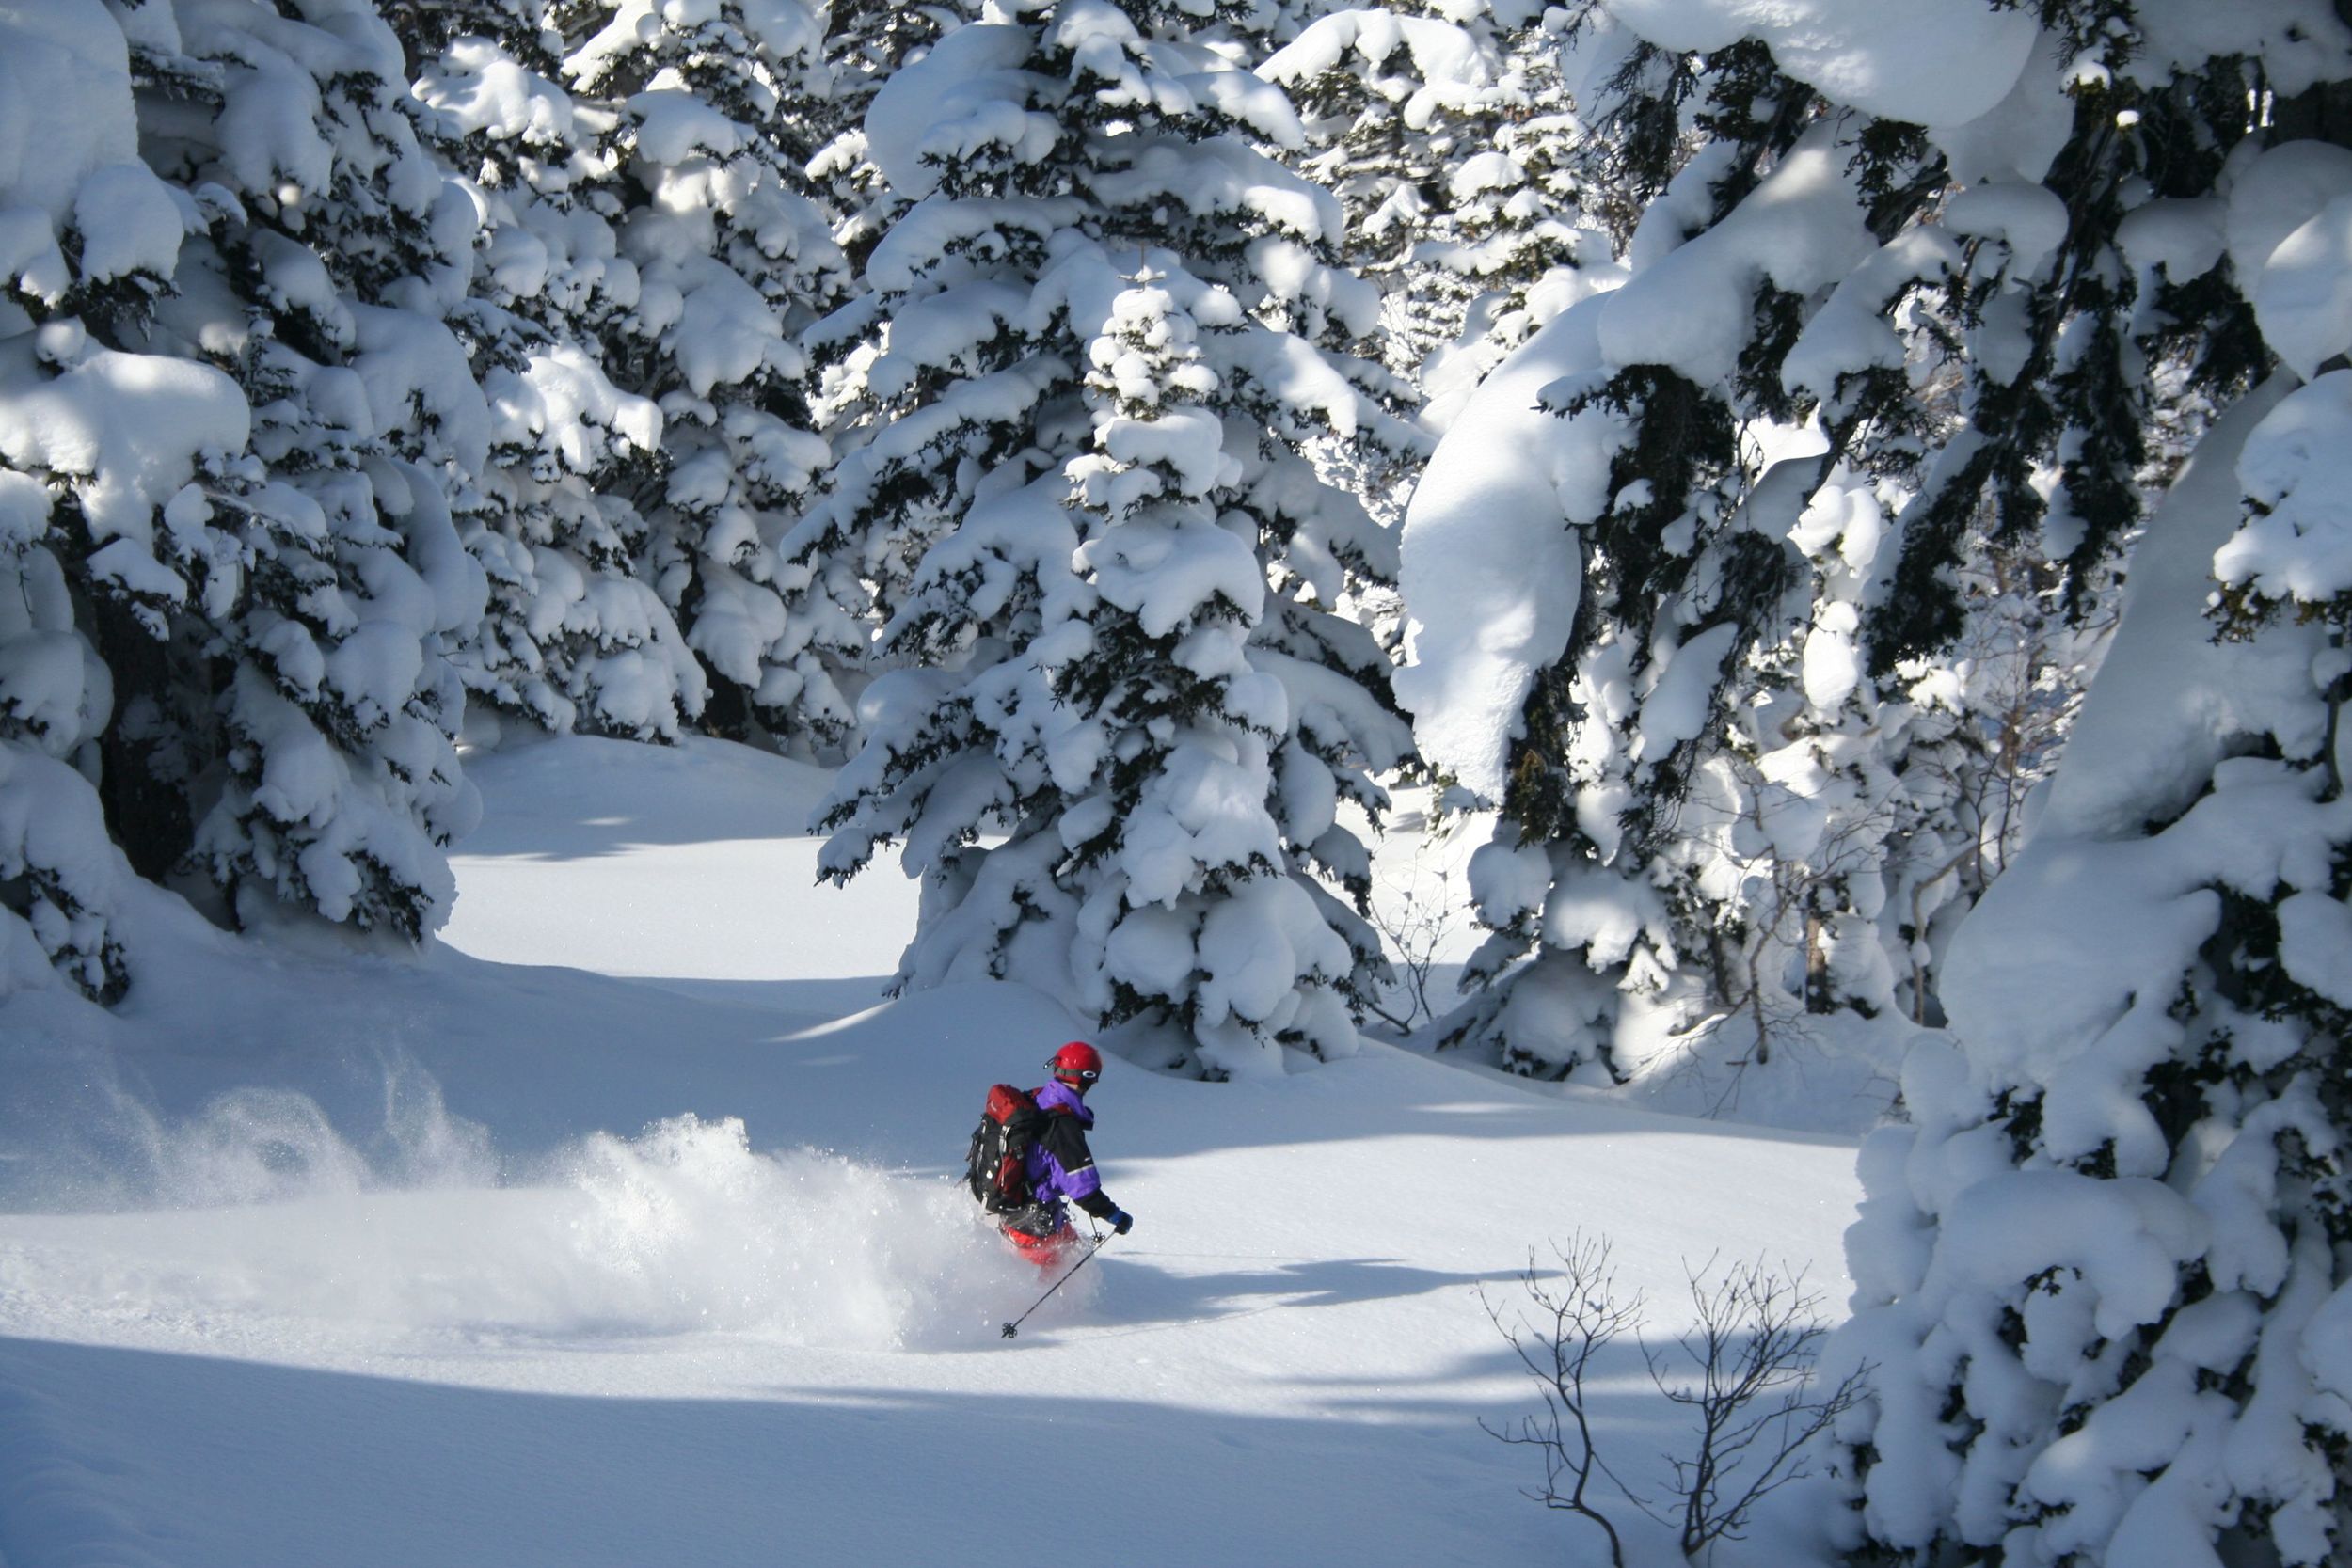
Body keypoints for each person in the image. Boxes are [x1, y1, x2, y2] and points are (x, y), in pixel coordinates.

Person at [998, 1041, 1134, 1264]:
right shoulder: (1062, 1125)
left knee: (1073, 1249)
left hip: (1015, 1203)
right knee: (1050, 1277)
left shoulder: (1038, 1098)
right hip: (1030, 1219)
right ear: (1088, 1078)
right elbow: (1084, 1190)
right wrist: (1115, 1215)